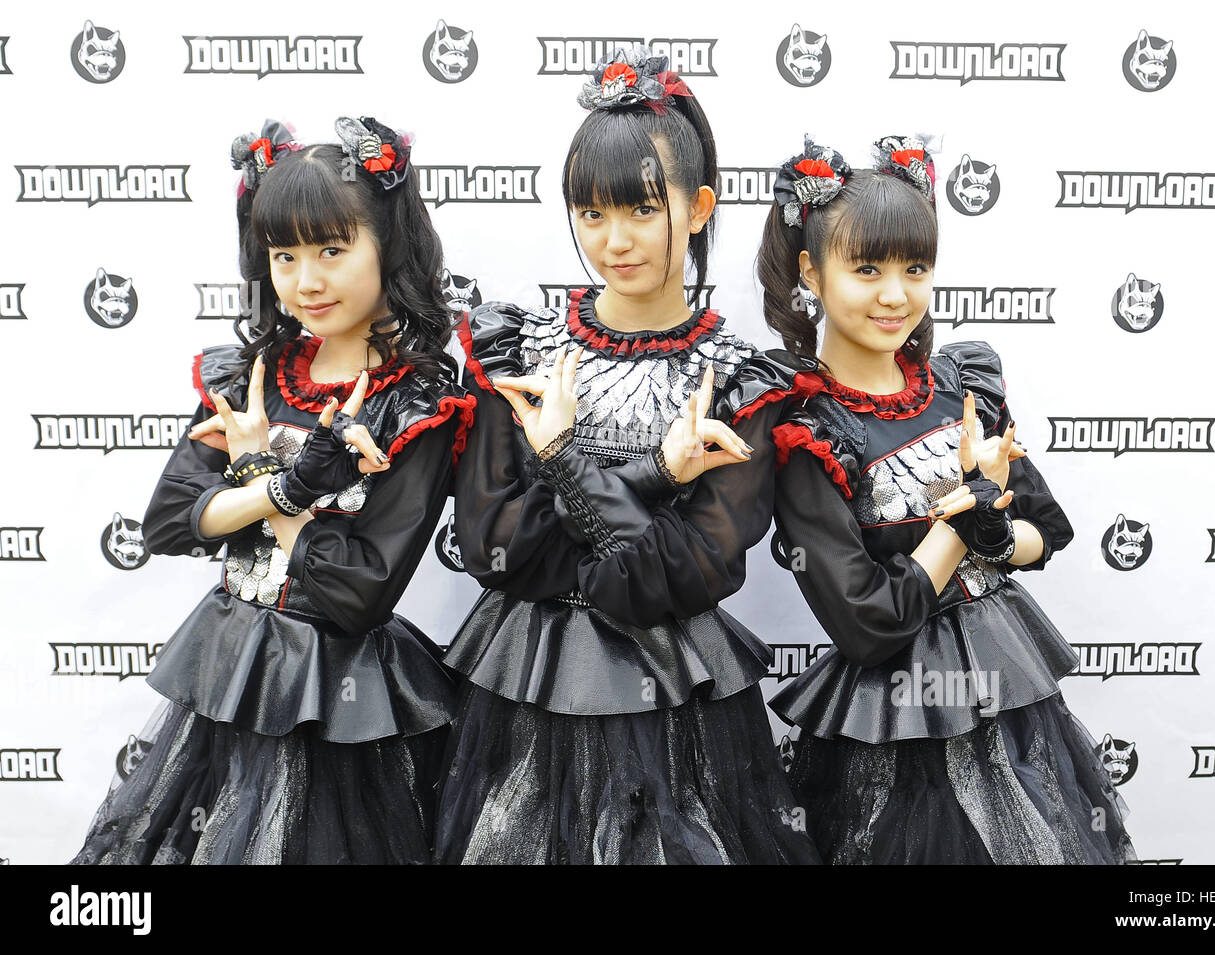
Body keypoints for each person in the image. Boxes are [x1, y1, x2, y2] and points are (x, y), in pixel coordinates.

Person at [435, 48, 820, 864]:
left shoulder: (740, 384)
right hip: (526, 696)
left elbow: (688, 572)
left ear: (700, 206)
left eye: (642, 211)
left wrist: (568, 463)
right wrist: (653, 486)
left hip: (681, 709)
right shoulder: (517, 353)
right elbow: (494, 544)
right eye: (591, 213)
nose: (614, 241)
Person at [71, 117, 473, 864]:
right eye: (284, 255)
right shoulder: (252, 374)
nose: (306, 280)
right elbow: (168, 521)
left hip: (338, 694)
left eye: (331, 249)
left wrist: (262, 497)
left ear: (390, 242)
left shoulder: (416, 403)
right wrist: (284, 485)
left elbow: (357, 594)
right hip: (229, 671)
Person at [756, 135, 1136, 864]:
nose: (895, 294)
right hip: (894, 732)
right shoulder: (807, 430)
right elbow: (868, 620)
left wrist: (993, 530)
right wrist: (963, 517)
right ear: (811, 268)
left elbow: (1044, 532)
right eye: (867, 268)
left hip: (1014, 712)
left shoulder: (962, 385)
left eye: (915, 268)